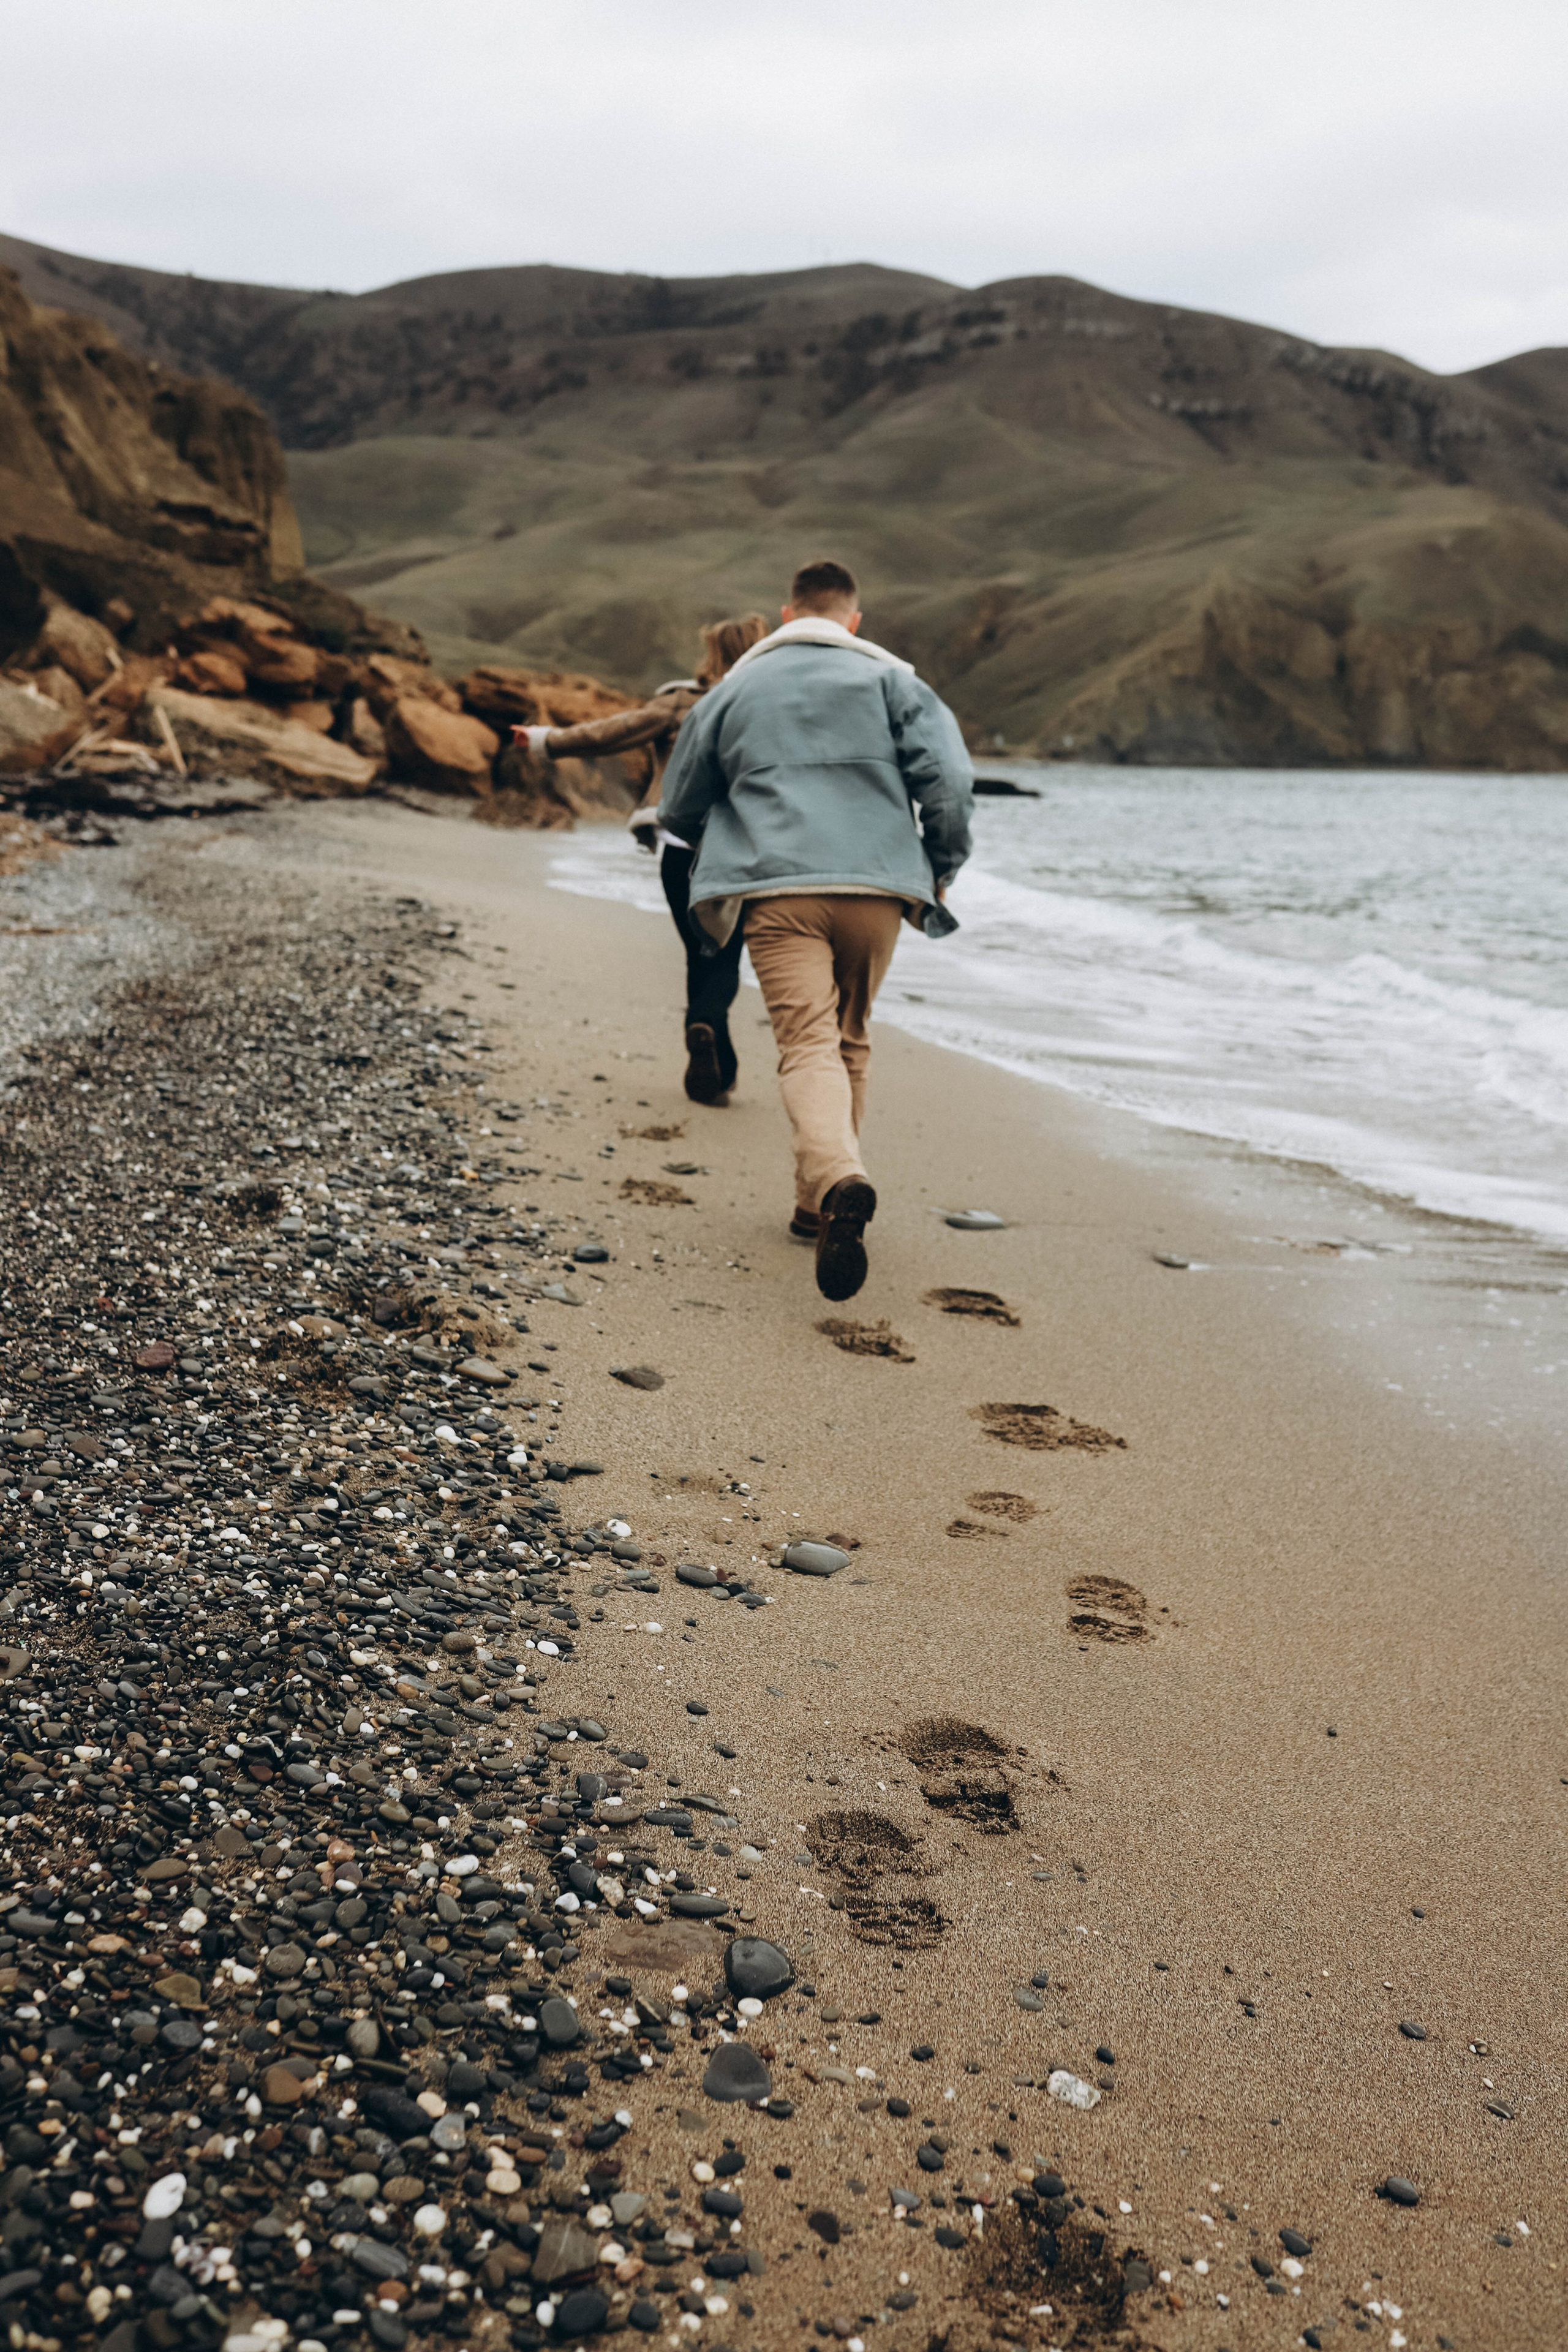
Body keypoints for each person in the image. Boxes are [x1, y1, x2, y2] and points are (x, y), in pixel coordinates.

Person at [658, 557, 973, 1301]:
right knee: (849, 1039)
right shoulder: (895, 679)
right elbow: (950, 783)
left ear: (788, 614)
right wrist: (941, 863)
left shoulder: (736, 688)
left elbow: (679, 803)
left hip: (778, 888)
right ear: (852, 620)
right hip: (877, 887)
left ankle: (837, 1179)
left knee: (806, 1042)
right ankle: (814, 1207)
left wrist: (736, 823)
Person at [514, 612, 768, 1103]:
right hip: (739, 852)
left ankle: (714, 1052)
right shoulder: (770, 705)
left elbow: (614, 731)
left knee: (700, 948)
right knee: (724, 953)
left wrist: (546, 740)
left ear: (712, 653)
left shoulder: (681, 702)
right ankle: (707, 1033)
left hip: (679, 849)